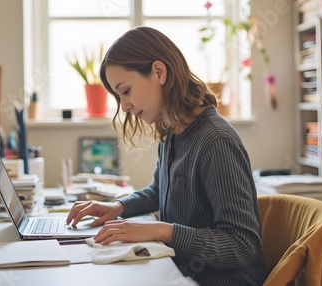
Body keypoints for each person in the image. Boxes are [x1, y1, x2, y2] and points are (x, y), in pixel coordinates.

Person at [66, 26, 267, 286]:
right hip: (179, 273)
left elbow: (242, 244)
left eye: (126, 91)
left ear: (159, 72)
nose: (124, 107)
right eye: (119, 96)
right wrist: (119, 206)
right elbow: (161, 189)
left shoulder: (216, 141)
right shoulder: (172, 130)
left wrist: (161, 230)